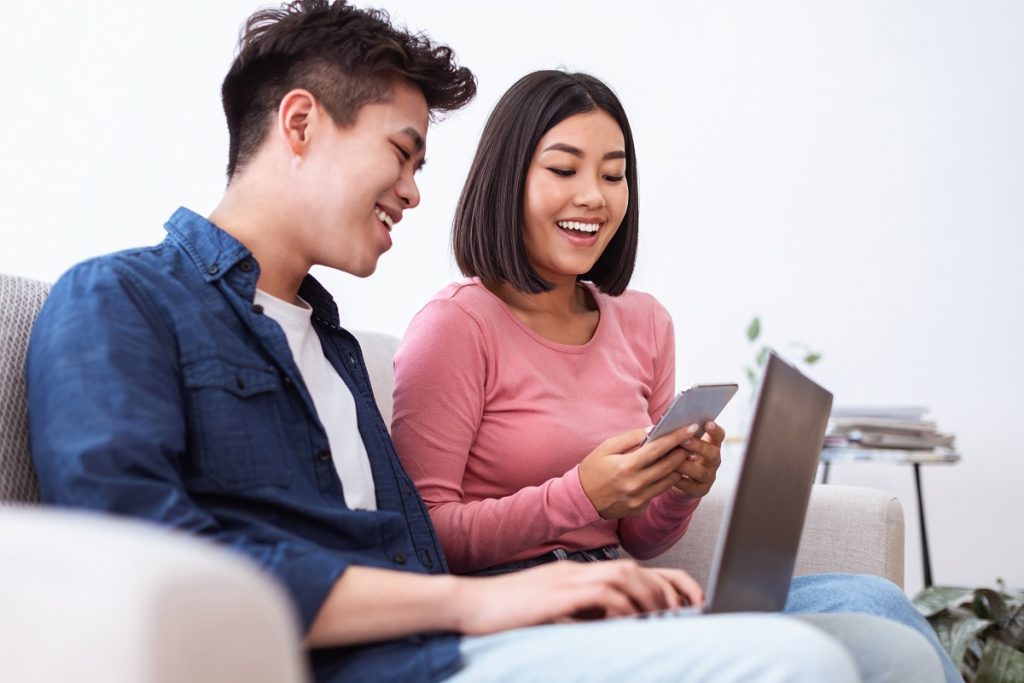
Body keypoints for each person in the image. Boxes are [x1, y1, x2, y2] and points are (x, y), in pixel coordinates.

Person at [25, 2, 943, 681]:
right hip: (411, 656)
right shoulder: (120, 299)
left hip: (463, 638)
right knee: (798, 663)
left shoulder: (333, 348)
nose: (414, 191)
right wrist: (491, 594)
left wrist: (564, 593)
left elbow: (411, 544)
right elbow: (141, 551)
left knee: (882, 640)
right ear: (300, 122)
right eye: (402, 151)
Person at [391, 70, 959, 682]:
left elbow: (641, 536)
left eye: (613, 175)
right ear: (508, 182)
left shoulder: (645, 322)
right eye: (564, 170)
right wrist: (579, 496)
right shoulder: (456, 325)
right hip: (523, 611)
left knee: (879, 602)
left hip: (628, 591)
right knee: (882, 653)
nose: (594, 197)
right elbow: (422, 533)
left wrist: (678, 489)